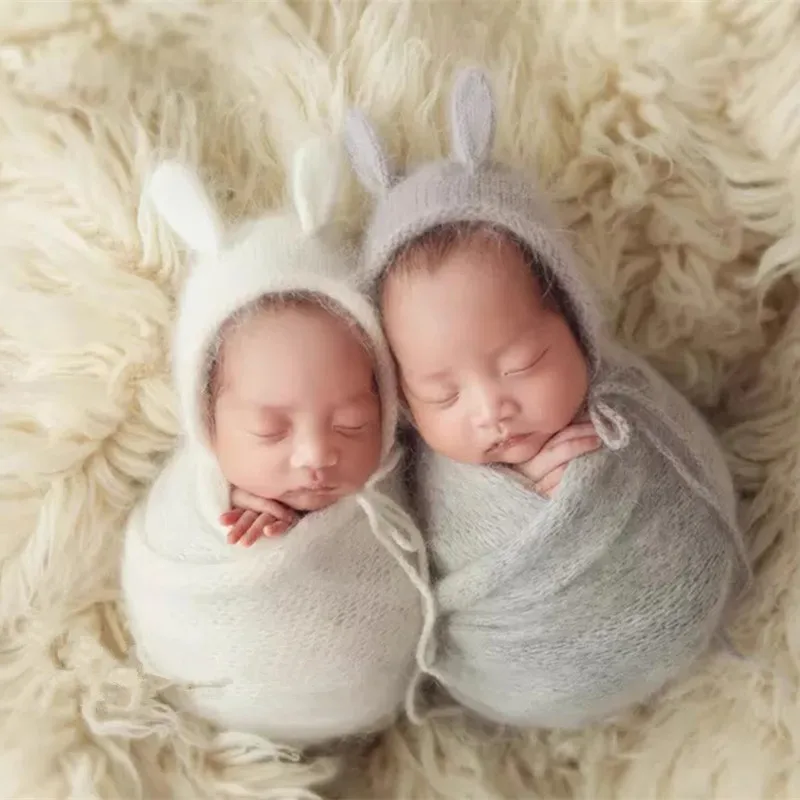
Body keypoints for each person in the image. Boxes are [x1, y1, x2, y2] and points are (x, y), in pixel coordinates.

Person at [343, 67, 750, 729]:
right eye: (442, 395)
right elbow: (420, 560)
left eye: (523, 363)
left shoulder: (629, 407)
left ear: (576, 321)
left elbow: (689, 470)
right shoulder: (430, 478)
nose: (490, 410)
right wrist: (527, 497)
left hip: (671, 604)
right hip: (525, 677)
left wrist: (595, 483)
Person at [121, 140, 433, 747]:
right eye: (269, 430)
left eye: (351, 424)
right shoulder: (190, 505)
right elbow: (164, 577)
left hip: (386, 703)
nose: (317, 456)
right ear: (205, 421)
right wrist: (228, 518)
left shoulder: (399, 476)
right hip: (218, 710)